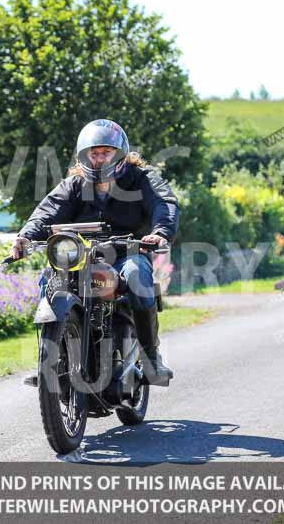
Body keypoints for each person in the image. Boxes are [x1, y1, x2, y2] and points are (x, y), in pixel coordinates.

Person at [10, 119, 179, 385]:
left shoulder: (143, 178)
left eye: (106, 152)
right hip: (82, 256)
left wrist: (160, 232)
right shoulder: (74, 185)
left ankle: (150, 358)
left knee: (136, 275)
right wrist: (26, 235)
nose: (99, 159)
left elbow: (164, 202)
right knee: (49, 279)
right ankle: (49, 362)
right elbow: (47, 211)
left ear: (120, 153)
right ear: (85, 155)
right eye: (94, 153)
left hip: (128, 252)